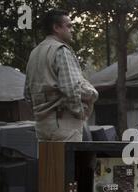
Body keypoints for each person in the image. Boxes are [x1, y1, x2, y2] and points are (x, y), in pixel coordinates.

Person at [24, 9, 98, 142]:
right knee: (69, 162)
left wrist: (41, 115)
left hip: (42, 126)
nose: (72, 29)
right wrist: (80, 114)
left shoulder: (34, 53)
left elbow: (28, 94)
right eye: (68, 26)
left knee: (49, 163)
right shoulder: (61, 50)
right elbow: (71, 89)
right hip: (65, 124)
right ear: (56, 28)